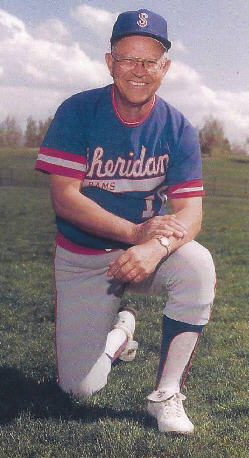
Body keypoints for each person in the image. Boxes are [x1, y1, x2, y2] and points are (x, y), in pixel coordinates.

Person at [35, 9, 216, 435]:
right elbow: (65, 199)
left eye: (149, 61)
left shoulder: (178, 127)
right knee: (78, 388)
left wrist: (153, 248)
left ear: (164, 67)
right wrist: (136, 233)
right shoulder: (78, 111)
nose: (138, 70)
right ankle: (120, 334)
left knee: (197, 265)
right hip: (83, 258)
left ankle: (168, 394)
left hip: (144, 254)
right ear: (109, 61)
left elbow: (191, 212)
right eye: (127, 58)